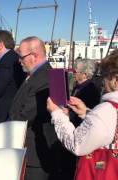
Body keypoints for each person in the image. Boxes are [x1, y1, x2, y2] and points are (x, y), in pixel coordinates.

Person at [8, 36, 75, 180]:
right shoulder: (37, 76)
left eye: (21, 56)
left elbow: (22, 117)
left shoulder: (45, 79)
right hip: (33, 153)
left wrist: (12, 116)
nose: (19, 61)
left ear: (34, 56)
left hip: (38, 157)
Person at [47, 49, 118, 179]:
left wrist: (57, 114)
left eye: (104, 75)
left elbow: (77, 144)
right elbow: (109, 127)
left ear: (115, 80)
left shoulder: (106, 111)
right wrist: (86, 113)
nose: (102, 81)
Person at [71, 59, 101, 126]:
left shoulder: (91, 90)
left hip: (82, 124)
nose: (73, 73)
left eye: (75, 71)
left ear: (84, 74)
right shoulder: (77, 86)